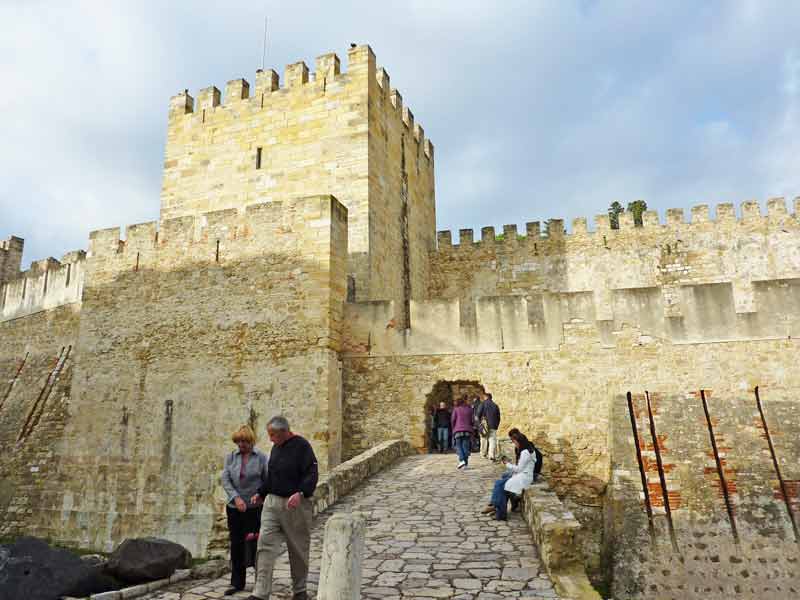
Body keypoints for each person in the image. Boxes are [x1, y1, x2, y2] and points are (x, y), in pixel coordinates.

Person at [248, 416, 318, 600]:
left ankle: (300, 591)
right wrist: (261, 493)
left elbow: (312, 472)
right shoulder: (276, 447)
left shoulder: (302, 446)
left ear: (285, 432)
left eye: (273, 435)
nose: (270, 439)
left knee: (298, 548)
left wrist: (301, 493)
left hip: (294, 505)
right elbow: (272, 476)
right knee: (264, 546)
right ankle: (260, 593)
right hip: (272, 503)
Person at [220, 425, 269, 596]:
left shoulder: (261, 458)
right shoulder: (230, 457)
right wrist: (236, 498)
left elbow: (267, 480)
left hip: (255, 509)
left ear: (251, 442)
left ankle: (260, 584)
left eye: (244, 442)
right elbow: (225, 479)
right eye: (238, 442)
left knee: (256, 545)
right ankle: (237, 582)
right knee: (237, 544)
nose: (241, 445)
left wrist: (260, 494)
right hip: (235, 508)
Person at [494, 430, 541, 521]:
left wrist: (507, 464)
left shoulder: (525, 453)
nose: (514, 444)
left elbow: (519, 468)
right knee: (501, 484)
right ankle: (497, 509)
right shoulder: (528, 449)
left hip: (524, 478)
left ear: (519, 441)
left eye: (514, 442)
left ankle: (497, 510)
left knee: (500, 485)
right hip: (523, 475)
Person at [451, 395, 474, 469]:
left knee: (459, 446)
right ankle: (466, 464)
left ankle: (461, 460)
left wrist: (453, 428)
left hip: (458, 430)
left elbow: (453, 420)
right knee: (465, 447)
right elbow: (472, 420)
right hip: (467, 430)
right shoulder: (469, 409)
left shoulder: (456, 409)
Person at [476, 393, 501, 461]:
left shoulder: (482, 404)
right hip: (493, 425)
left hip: (484, 425)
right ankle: (491, 455)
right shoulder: (495, 405)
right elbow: (498, 417)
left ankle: (483, 454)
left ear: (485, 397)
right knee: (492, 440)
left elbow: (478, 415)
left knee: (484, 439)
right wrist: (496, 425)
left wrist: (479, 425)